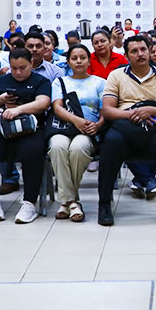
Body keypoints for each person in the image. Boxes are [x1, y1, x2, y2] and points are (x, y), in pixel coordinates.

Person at [98, 36, 156, 226]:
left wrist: (151, 110)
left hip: (153, 126)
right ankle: (104, 204)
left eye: (143, 49)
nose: (140, 54)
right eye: (134, 51)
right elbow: (108, 109)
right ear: (126, 56)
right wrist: (131, 114)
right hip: (124, 125)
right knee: (111, 143)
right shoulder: (116, 75)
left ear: (150, 51)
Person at [0, 48, 51, 223]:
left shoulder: (40, 81)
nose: (18, 72)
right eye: (14, 68)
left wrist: (18, 109)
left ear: (31, 64)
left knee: (32, 150)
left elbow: (43, 103)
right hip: (1, 125)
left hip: (31, 127)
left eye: (22, 68)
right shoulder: (1, 81)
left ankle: (29, 202)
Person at [47, 44, 107, 222]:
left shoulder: (99, 82)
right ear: (68, 62)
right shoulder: (60, 82)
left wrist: (98, 125)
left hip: (89, 131)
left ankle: (66, 202)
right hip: (63, 128)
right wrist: (76, 121)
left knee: (78, 148)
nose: (79, 61)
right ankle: (73, 202)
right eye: (74, 58)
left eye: (83, 57)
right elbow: (57, 107)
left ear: (89, 60)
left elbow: (105, 111)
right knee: (57, 146)